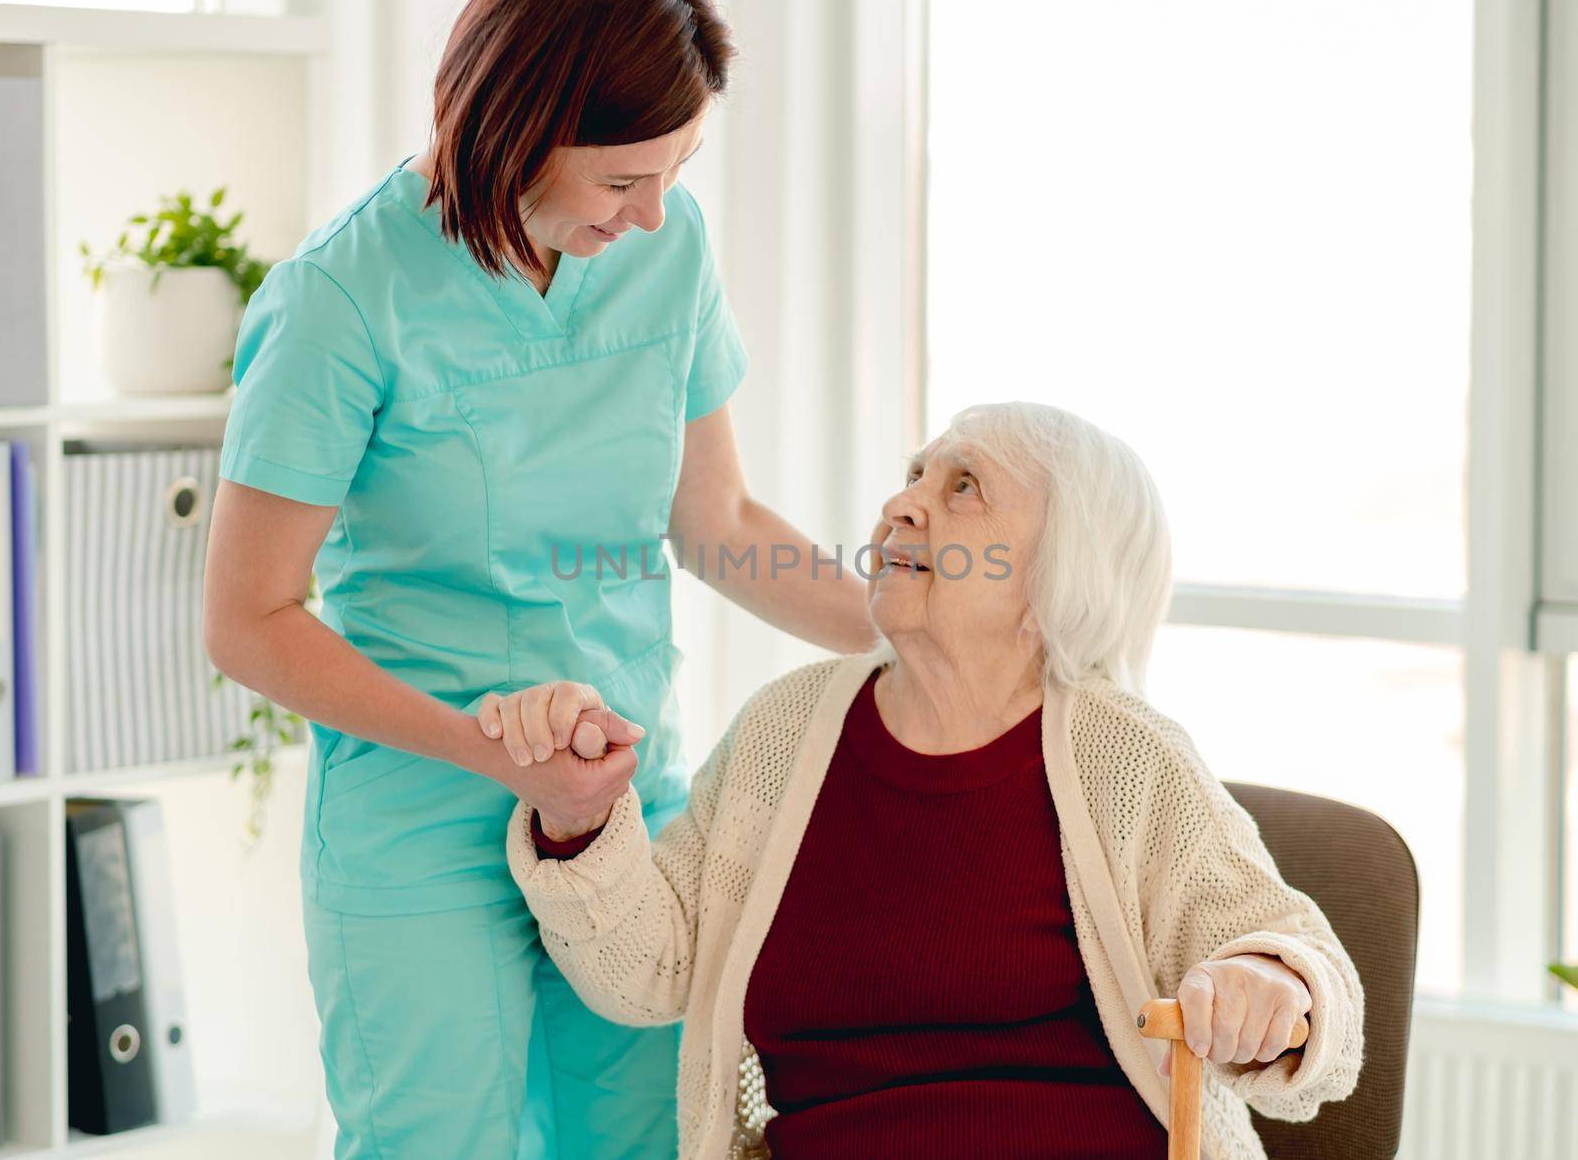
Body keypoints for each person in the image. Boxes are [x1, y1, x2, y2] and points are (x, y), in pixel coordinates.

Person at [202, 0, 877, 1156]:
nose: (654, 212)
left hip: (624, 795)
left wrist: (921, 631)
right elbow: (248, 618)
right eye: (624, 177)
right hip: (419, 808)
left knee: (649, 1134)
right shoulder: (343, 298)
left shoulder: (664, 249)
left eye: (677, 172)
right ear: (517, 121)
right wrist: (492, 749)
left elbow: (718, 525)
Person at [492, 402, 1366, 1159]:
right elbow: (649, 968)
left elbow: (1299, 967)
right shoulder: (786, 732)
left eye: (962, 486)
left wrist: (1273, 989)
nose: (899, 504)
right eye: (915, 474)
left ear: (1055, 570)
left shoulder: (1127, 756)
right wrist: (581, 819)